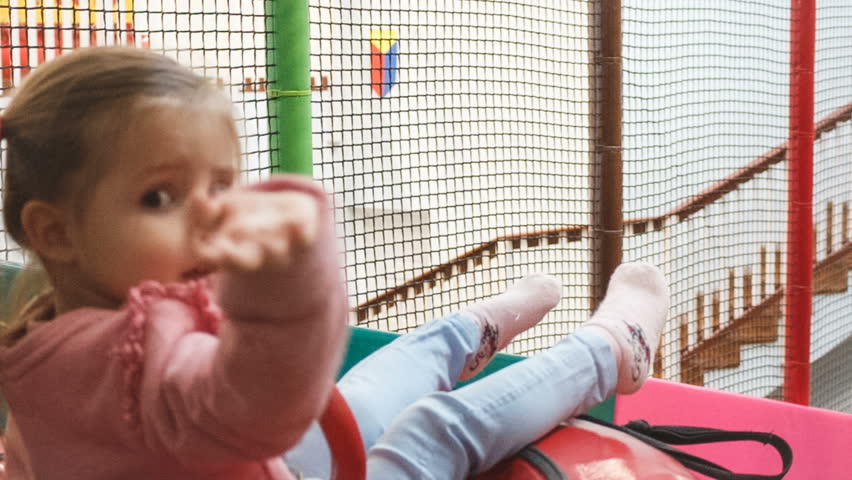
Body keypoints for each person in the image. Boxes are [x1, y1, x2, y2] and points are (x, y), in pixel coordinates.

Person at [0, 46, 669, 480]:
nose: (209, 215)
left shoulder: (42, 341)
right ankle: (610, 350)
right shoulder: (136, 359)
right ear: (55, 231)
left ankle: (475, 331)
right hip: (269, 441)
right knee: (433, 431)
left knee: (375, 384)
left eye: (221, 186)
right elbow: (264, 399)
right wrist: (285, 273)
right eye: (160, 197)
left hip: (261, 458)